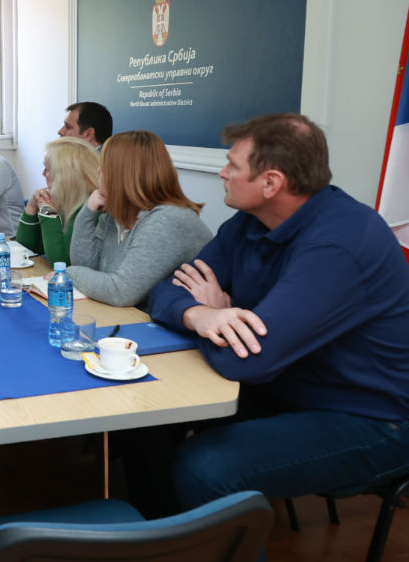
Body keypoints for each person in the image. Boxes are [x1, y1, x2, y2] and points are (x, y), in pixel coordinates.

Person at [143, 113, 409, 514]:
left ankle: (193, 537)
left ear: (271, 183)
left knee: (207, 469)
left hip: (372, 416)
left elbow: (245, 361)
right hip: (286, 386)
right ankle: (160, 536)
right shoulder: (247, 222)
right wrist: (201, 315)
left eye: (233, 166)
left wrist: (222, 313)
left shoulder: (340, 243)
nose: (222, 173)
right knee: (149, 415)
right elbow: (166, 291)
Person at [66, 130, 211, 308]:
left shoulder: (167, 219)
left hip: (176, 323)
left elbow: (121, 292)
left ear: (123, 175)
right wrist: (88, 213)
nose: (98, 172)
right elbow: (86, 267)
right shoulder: (116, 212)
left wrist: (67, 273)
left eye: (105, 167)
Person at [16, 137, 99, 266]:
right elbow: (27, 247)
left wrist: (48, 213)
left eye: (47, 169)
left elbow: (60, 261)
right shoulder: (67, 201)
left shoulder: (90, 208)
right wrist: (31, 208)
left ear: (65, 175)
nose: (43, 173)